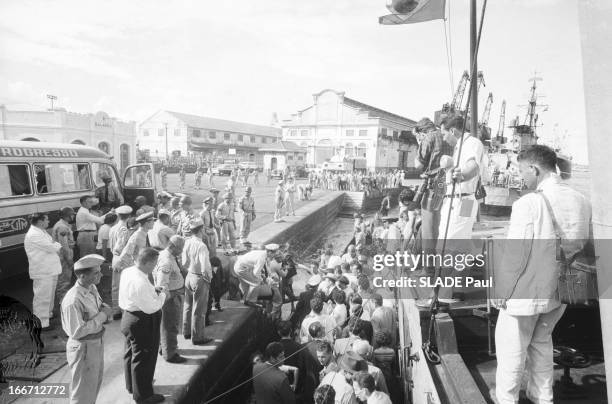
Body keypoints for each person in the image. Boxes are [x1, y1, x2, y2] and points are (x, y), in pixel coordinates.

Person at [493, 145, 592, 404]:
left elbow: (516, 254)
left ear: (534, 169)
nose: (520, 178)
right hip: (562, 290)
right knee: (541, 344)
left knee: (511, 351)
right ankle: (542, 397)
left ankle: (507, 400)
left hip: (527, 293)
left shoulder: (529, 202)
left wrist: (501, 290)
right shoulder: (582, 201)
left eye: (521, 171)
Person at [61, 254, 111, 404]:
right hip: (83, 347)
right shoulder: (73, 300)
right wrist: (103, 315)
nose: (101, 275)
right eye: (96, 273)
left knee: (93, 385)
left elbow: (96, 307)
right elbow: (77, 331)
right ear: (82, 276)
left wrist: (102, 310)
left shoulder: (91, 287)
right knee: (82, 392)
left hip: (95, 343)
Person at [119, 248, 166, 404]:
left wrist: (153, 290)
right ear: (147, 262)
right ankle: (144, 395)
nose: (155, 267)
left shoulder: (129, 271)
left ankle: (132, 386)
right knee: (145, 357)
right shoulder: (139, 281)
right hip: (142, 321)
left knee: (130, 354)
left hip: (128, 316)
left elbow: (142, 292)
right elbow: (151, 307)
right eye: (154, 263)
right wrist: (162, 295)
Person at [414, 117, 454, 274]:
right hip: (447, 184)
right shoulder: (447, 136)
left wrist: (420, 145)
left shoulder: (428, 137)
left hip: (433, 186)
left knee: (429, 229)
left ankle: (429, 268)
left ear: (421, 131)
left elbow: (419, 165)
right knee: (438, 226)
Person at [24, 213, 62, 330]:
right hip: (42, 271)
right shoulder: (34, 234)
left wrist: (54, 244)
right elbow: (52, 246)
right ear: (40, 221)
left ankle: (47, 315)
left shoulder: (41, 231)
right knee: (42, 297)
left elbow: (52, 244)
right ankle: (40, 323)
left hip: (49, 269)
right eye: (46, 219)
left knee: (49, 295)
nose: (49, 221)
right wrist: (56, 245)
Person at [153, 235, 186, 363]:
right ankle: (170, 354)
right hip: (170, 298)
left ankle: (164, 348)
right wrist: (169, 296)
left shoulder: (164, 255)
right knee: (170, 325)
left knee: (165, 324)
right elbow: (161, 284)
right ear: (172, 246)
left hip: (171, 295)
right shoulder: (166, 261)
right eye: (180, 249)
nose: (181, 251)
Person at [182, 219, 213, 345]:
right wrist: (208, 279)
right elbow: (205, 266)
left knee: (188, 306)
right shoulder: (201, 246)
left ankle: (186, 332)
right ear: (201, 230)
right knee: (199, 310)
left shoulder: (187, 242)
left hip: (189, 275)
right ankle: (198, 337)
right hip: (200, 277)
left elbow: (184, 262)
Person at [109, 205, 133, 319]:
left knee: (115, 285)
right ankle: (125, 309)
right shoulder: (124, 229)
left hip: (114, 258)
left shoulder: (113, 228)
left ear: (118, 215)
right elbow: (119, 247)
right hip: (121, 258)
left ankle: (116, 310)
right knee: (125, 284)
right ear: (129, 216)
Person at [51, 207, 76, 308]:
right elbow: (64, 245)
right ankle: (63, 300)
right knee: (64, 278)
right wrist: (69, 259)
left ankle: (63, 298)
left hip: (63, 254)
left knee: (64, 278)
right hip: (64, 255)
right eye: (72, 214)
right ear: (68, 215)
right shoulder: (62, 227)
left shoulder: (62, 225)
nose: (73, 216)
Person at [207, 256, 225, 323]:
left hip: (218, 282)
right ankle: (209, 309)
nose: (217, 267)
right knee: (210, 297)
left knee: (218, 295)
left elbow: (222, 271)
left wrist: (223, 278)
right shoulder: (208, 267)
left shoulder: (219, 265)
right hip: (211, 284)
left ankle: (217, 305)